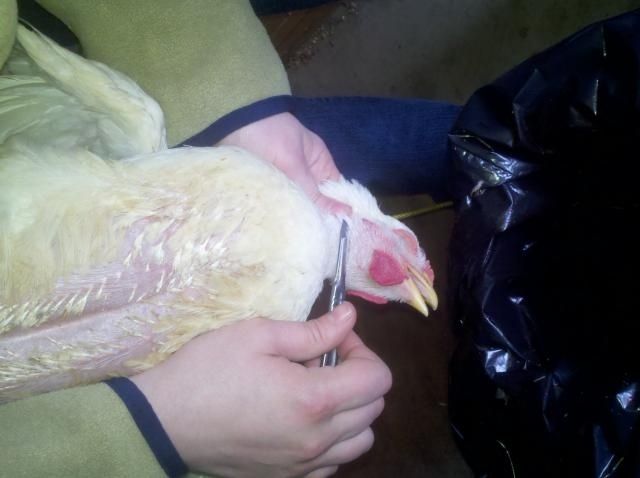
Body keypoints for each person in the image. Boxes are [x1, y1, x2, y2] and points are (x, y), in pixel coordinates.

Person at [0, 1, 460, 476]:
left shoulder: (284, 275)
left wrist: (238, 109)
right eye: (404, 252)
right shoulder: (287, 266)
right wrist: (157, 430)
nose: (406, 276)